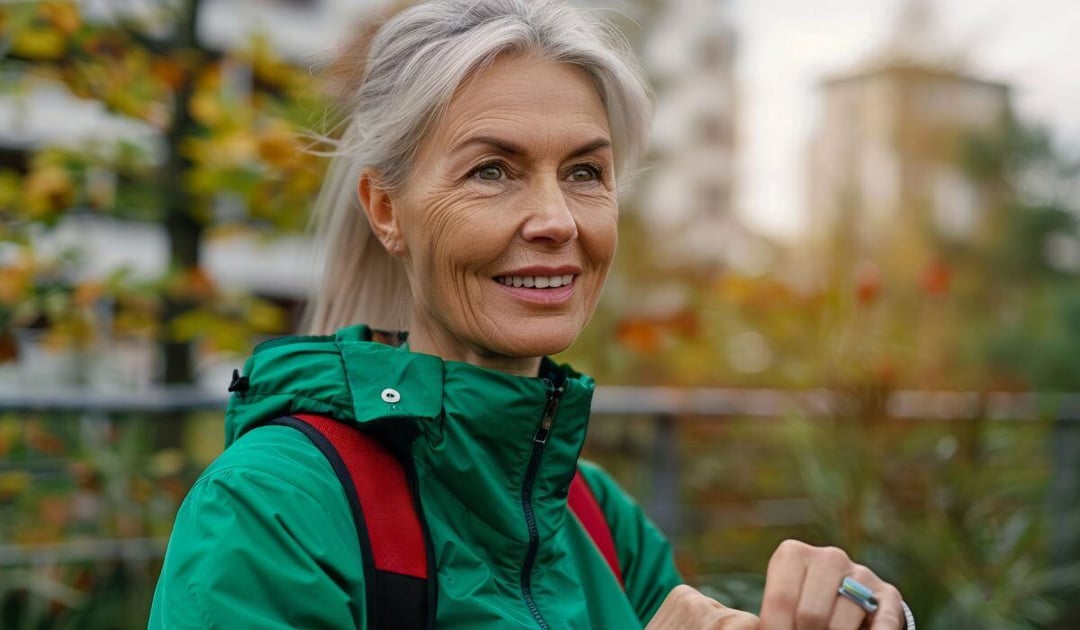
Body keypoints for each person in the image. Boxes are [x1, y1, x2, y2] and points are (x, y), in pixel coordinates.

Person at [149, 1, 914, 628]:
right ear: (387, 209)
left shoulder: (594, 514)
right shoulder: (271, 511)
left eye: (585, 172)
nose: (557, 219)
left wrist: (855, 619)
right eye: (493, 171)